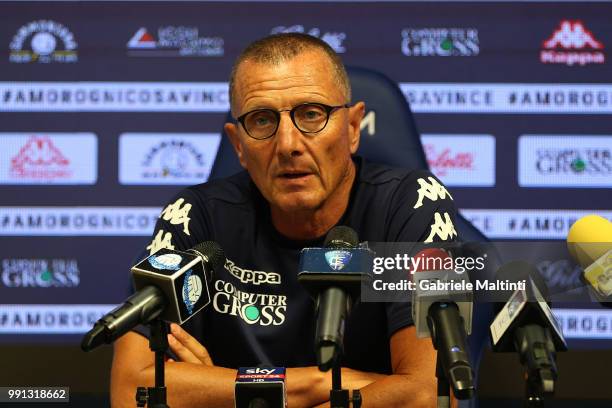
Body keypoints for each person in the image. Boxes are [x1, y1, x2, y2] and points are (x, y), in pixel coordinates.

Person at [111, 33, 458, 407]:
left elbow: (431, 394)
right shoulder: (196, 217)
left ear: (354, 127)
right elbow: (133, 392)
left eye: (311, 114)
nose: (289, 144)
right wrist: (317, 385)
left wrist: (220, 389)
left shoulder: (412, 205)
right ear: (239, 145)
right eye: (262, 121)